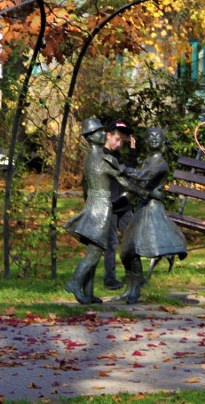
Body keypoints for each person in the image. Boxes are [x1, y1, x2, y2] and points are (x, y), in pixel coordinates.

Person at [63, 118, 146, 305]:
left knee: (95, 249)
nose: (102, 134)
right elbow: (124, 179)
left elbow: (87, 187)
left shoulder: (91, 158)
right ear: (90, 137)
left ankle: (88, 291)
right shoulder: (102, 158)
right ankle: (74, 282)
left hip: (93, 205)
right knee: (95, 251)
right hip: (101, 208)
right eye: (98, 132)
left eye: (102, 131)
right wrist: (145, 191)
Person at [117, 127, 188, 304]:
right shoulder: (149, 159)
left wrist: (120, 168)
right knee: (127, 250)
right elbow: (141, 182)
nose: (154, 139)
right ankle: (131, 287)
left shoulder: (160, 163)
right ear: (146, 141)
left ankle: (135, 289)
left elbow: (143, 177)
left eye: (158, 136)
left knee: (136, 248)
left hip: (152, 209)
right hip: (143, 205)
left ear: (163, 140)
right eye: (151, 137)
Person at [102, 120, 138, 290]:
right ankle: (109, 278)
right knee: (111, 243)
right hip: (109, 205)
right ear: (108, 135)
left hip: (122, 204)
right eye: (116, 139)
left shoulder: (117, 156)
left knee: (132, 238)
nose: (118, 144)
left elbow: (129, 172)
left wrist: (132, 150)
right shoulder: (102, 155)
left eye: (121, 141)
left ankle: (134, 275)